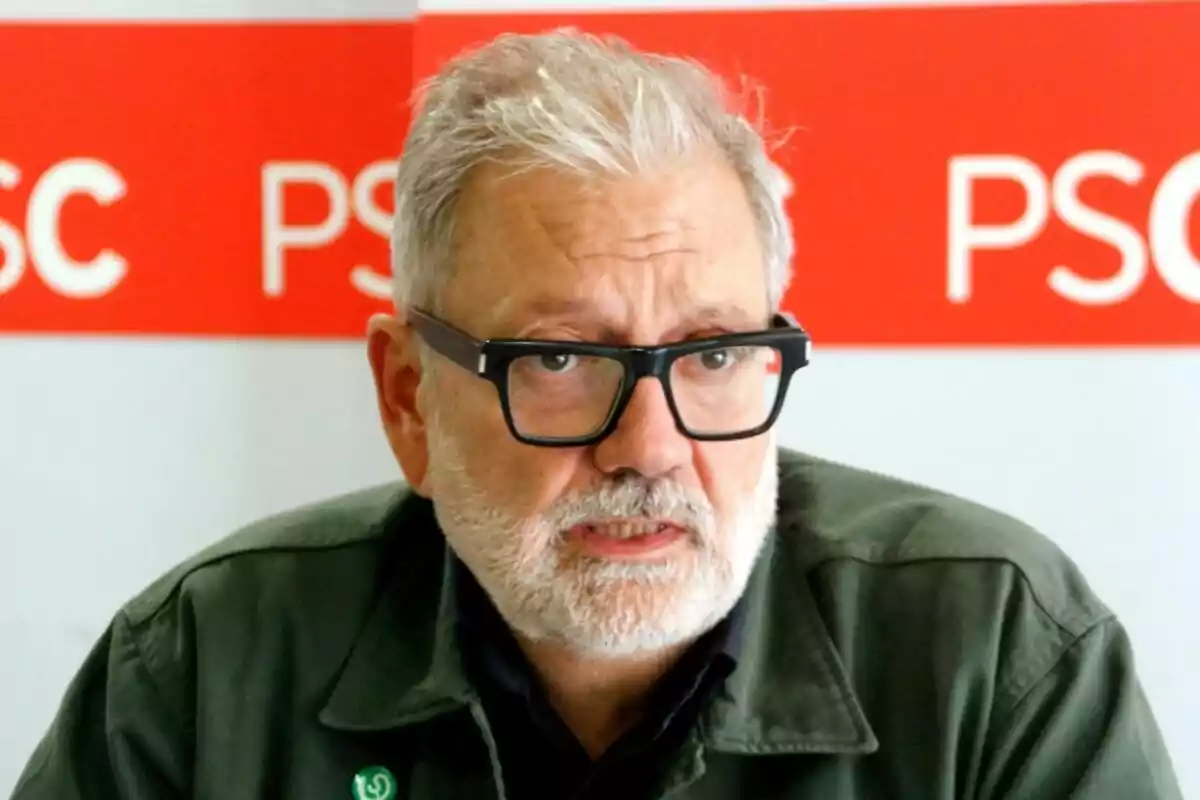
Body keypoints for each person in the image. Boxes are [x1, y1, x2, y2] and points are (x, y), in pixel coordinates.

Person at [11, 28, 1181, 800]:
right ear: (409, 397)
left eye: (715, 353)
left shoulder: (1002, 658)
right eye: (565, 358)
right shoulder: (207, 668)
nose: (653, 446)